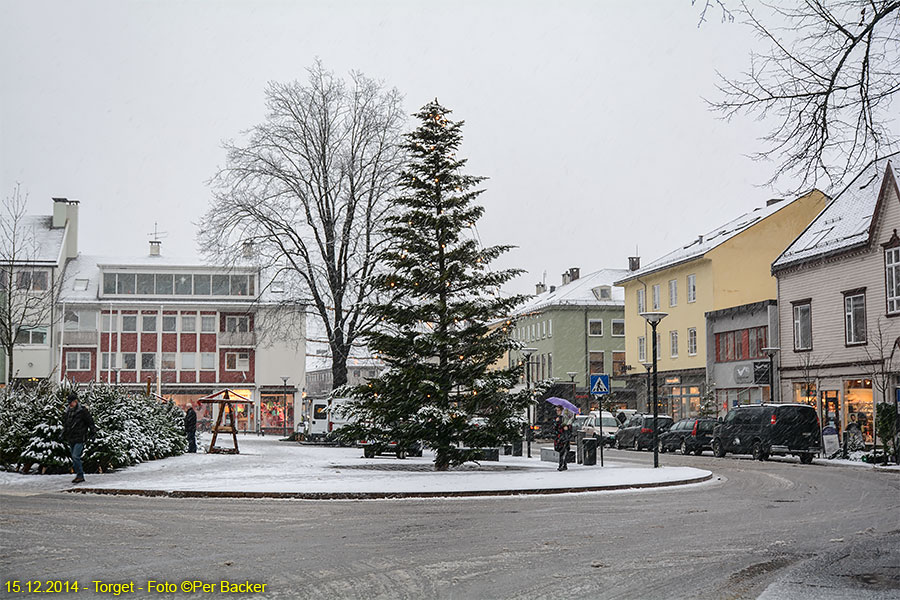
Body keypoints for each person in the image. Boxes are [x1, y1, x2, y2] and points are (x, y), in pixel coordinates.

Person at [62, 391, 96, 484]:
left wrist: (93, 432)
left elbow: (90, 422)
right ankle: (78, 474)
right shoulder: (68, 412)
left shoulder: (82, 411)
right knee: (74, 458)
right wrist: (63, 432)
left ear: (76, 401)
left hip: (80, 437)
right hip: (71, 437)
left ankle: (80, 475)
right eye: (69, 403)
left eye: (71, 402)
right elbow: (67, 424)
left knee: (75, 456)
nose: (70, 404)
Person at [554, 405, 575, 471]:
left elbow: (569, 428)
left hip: (564, 437)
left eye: (558, 410)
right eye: (557, 410)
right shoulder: (558, 418)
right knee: (561, 451)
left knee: (563, 451)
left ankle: (562, 465)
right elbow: (555, 428)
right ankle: (563, 464)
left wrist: (567, 428)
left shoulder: (565, 418)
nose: (557, 412)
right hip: (560, 437)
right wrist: (556, 422)